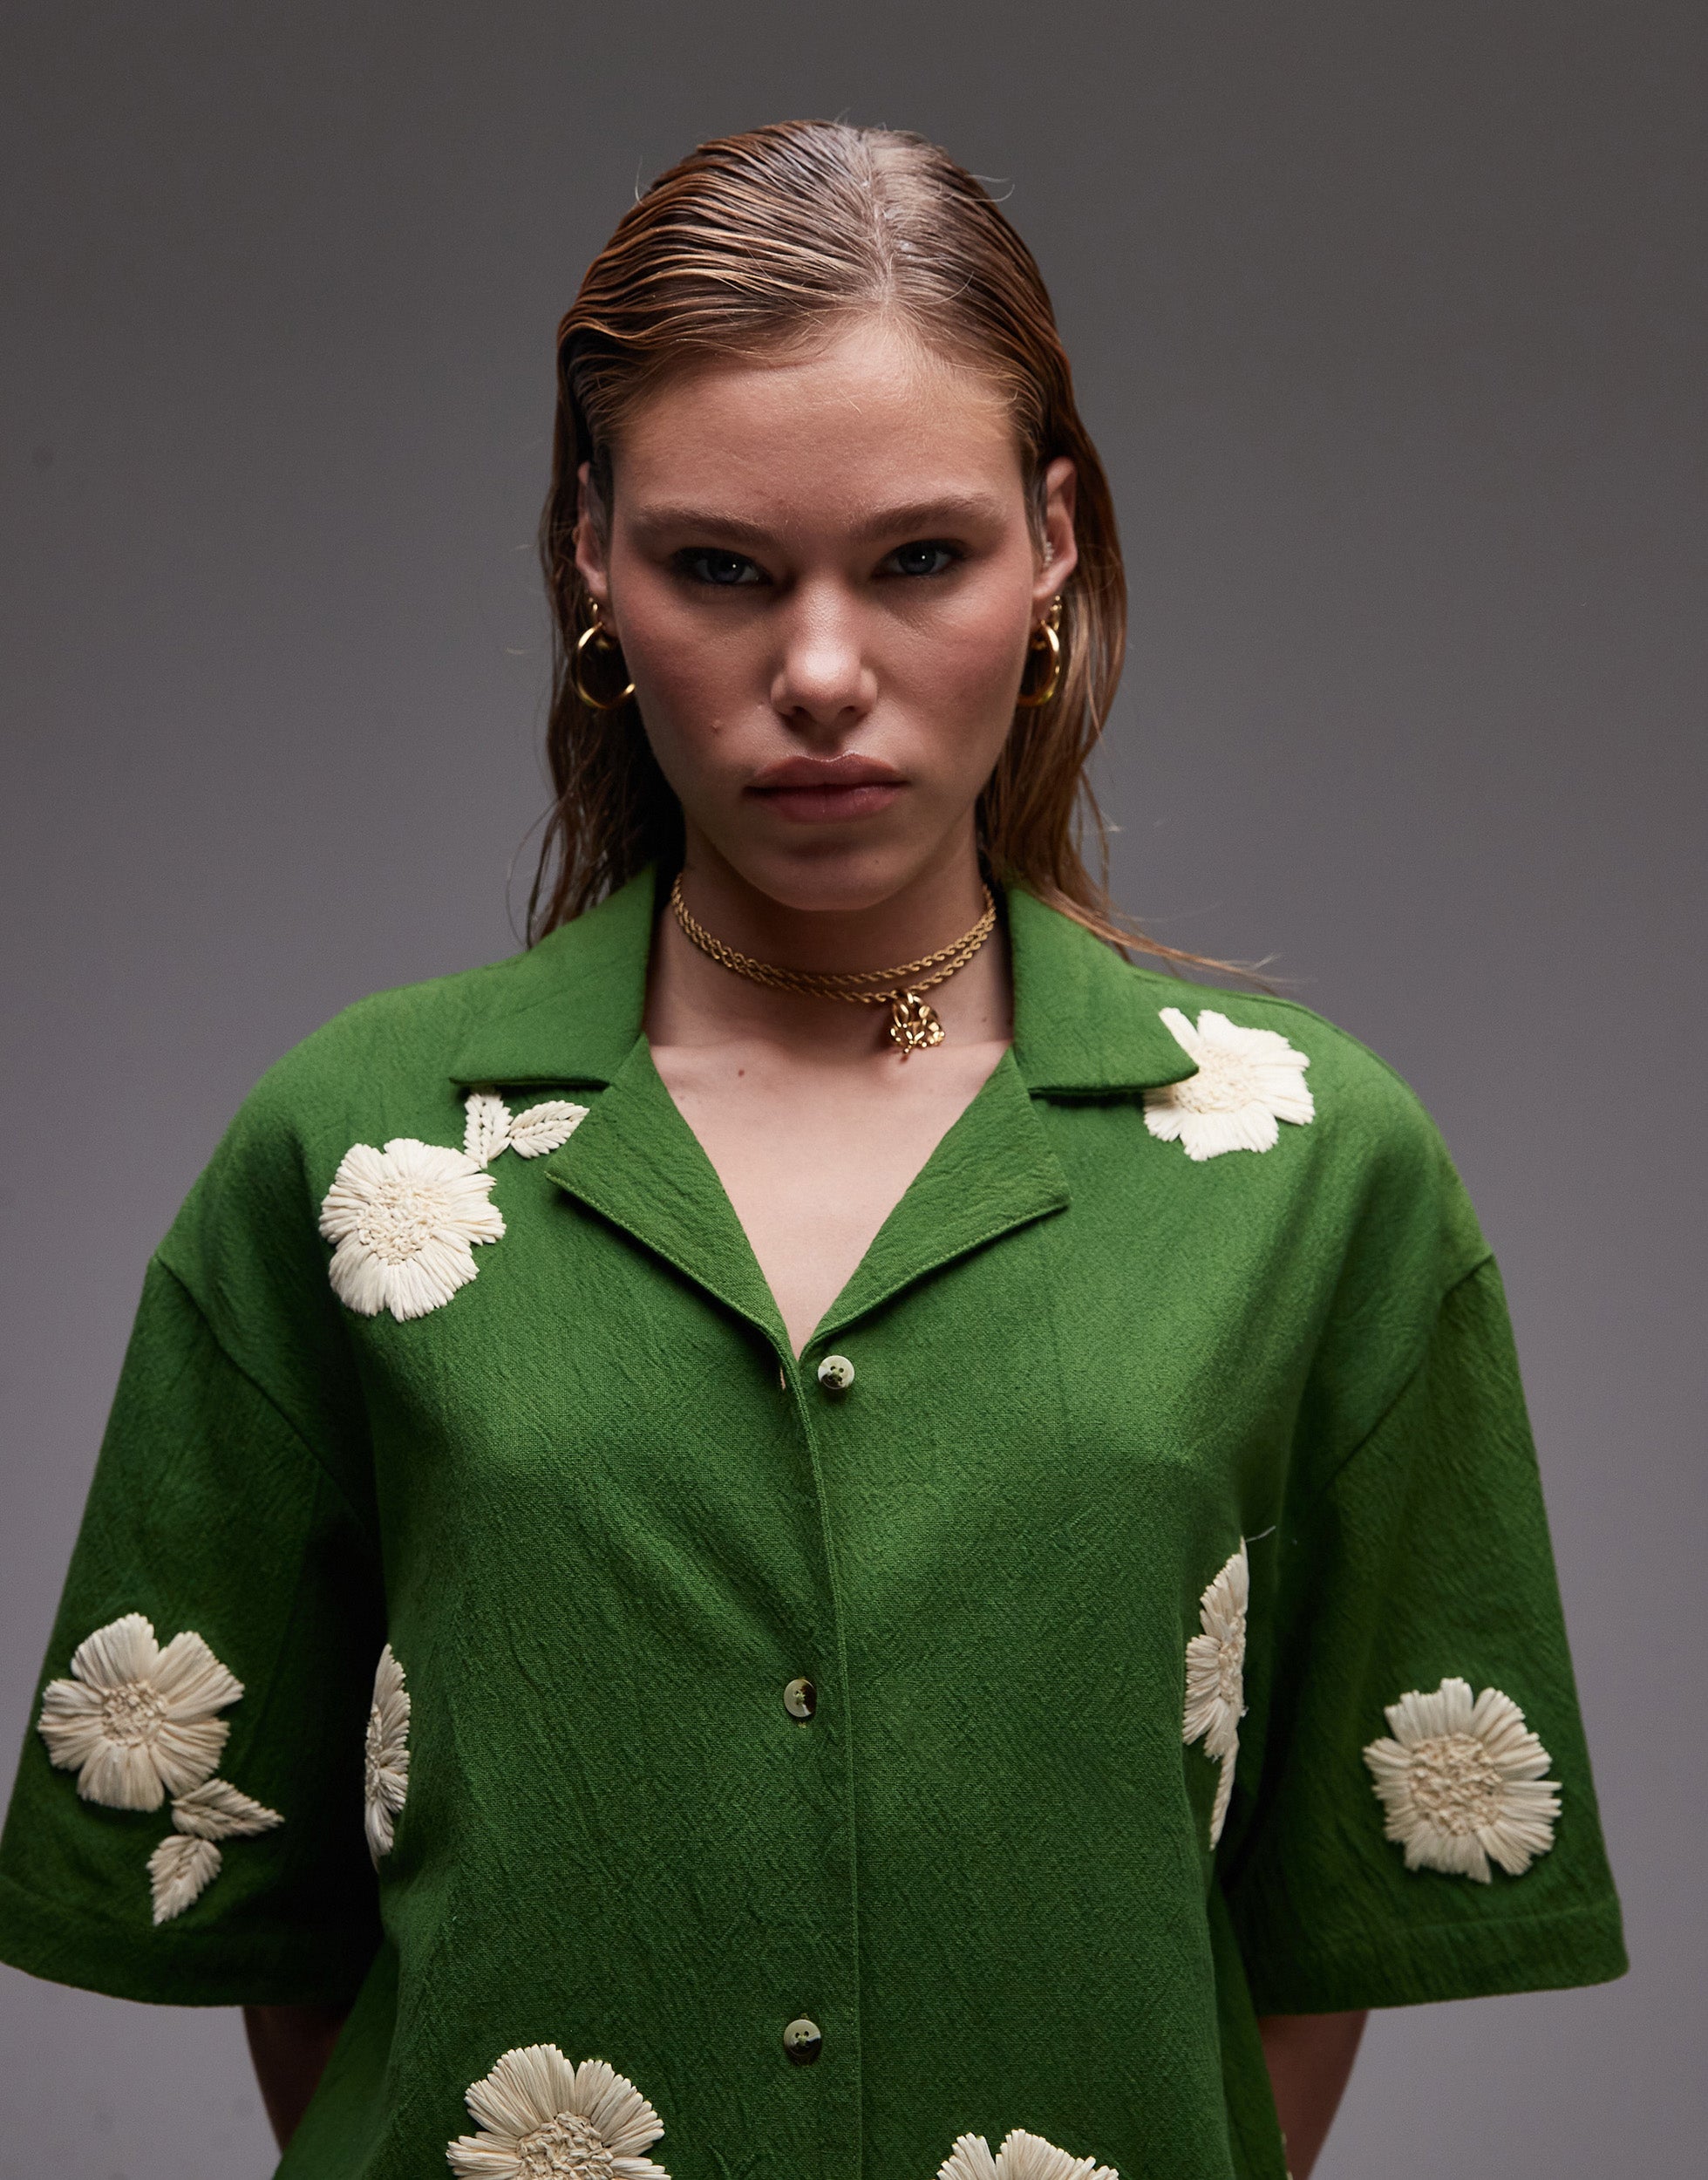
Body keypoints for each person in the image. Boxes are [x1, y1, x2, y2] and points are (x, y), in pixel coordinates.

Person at [0, 121, 1623, 2180]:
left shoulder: (1308, 1173)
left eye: (918, 557)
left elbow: (1314, 1933)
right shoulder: (355, 1153)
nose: (823, 673)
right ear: (592, 557)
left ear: (1050, 545)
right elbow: (287, 1927)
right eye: (721, 567)